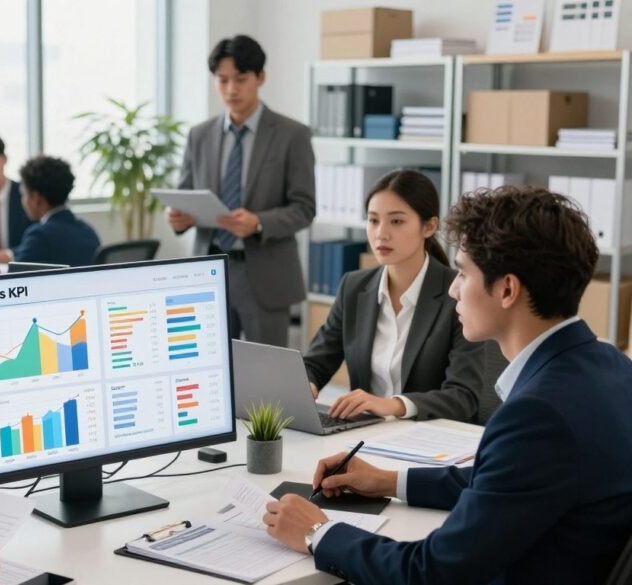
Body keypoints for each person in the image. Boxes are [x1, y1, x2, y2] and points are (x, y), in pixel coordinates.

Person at [262, 186, 632, 584]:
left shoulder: (537, 415)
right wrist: (387, 481)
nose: (454, 289)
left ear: (507, 289)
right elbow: (503, 481)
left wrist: (318, 532)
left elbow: (432, 572)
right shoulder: (611, 365)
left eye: (464, 273)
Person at [168, 34, 315, 347]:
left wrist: (259, 222)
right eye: (222, 80)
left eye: (240, 79)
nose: (231, 90)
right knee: (210, 365)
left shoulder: (292, 135)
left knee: (268, 370)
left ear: (260, 77)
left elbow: (304, 208)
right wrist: (178, 217)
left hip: (265, 274)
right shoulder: (199, 135)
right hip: (209, 271)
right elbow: (185, 193)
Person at [303, 170, 484, 422]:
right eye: (373, 220)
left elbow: (463, 397)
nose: (381, 233)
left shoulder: (457, 293)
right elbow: (315, 363)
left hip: (429, 435)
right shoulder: (353, 287)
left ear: (429, 226)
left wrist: (394, 405)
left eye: (396, 221)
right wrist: (306, 384)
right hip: (364, 432)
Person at [0, 155, 101, 267]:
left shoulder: (39, 236)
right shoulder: (88, 231)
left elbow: (14, 280)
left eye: (23, 194)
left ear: (36, 198)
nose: (22, 200)